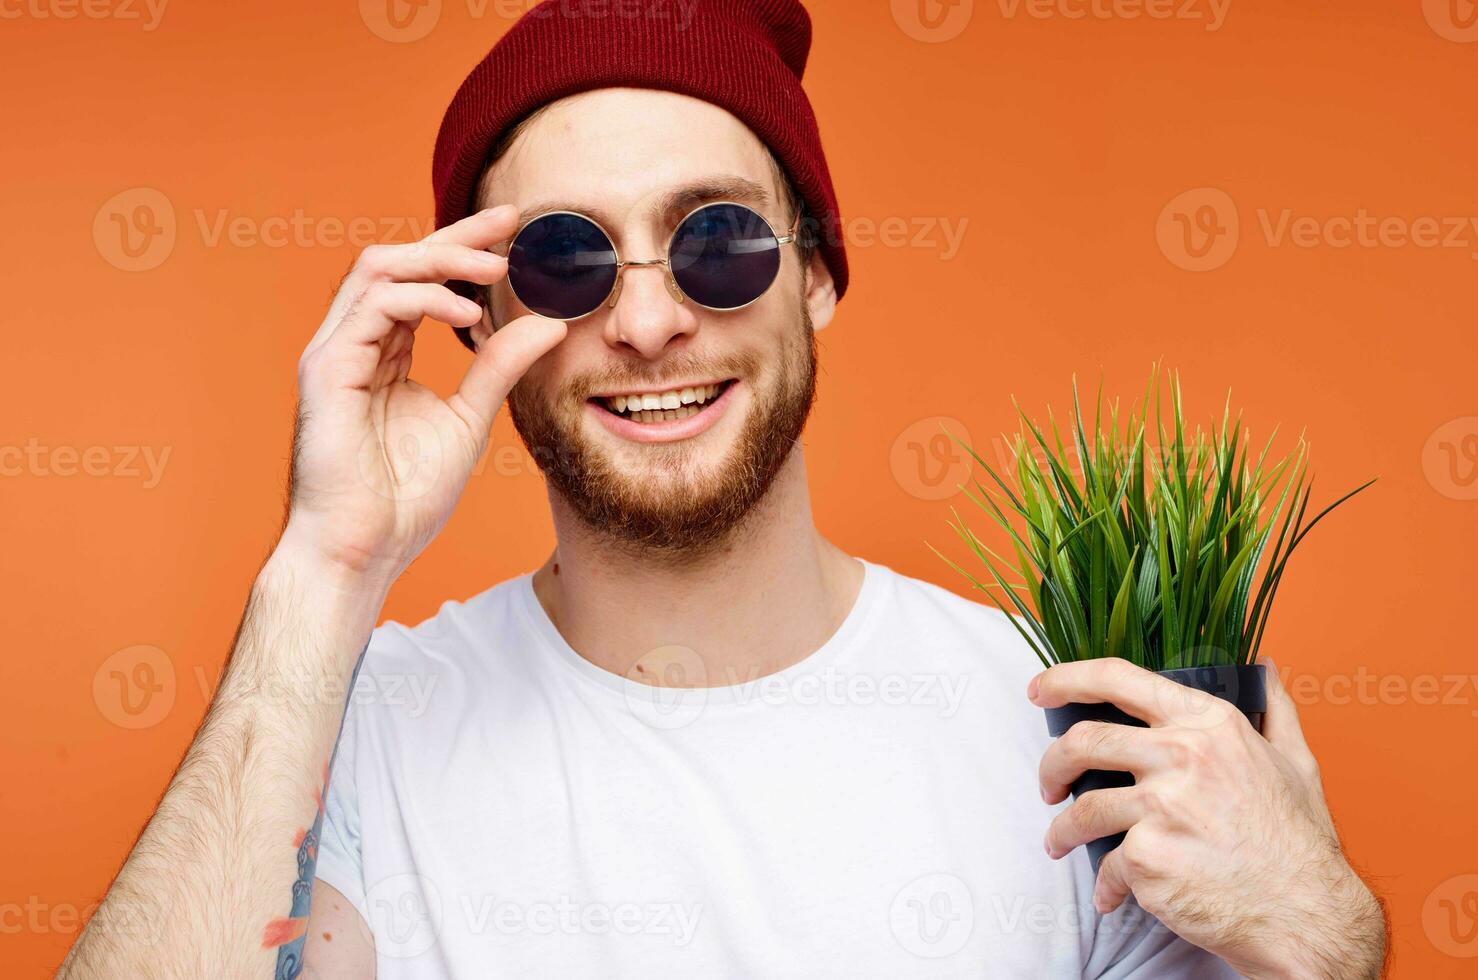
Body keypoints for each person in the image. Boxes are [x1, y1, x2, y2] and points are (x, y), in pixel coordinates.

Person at [60, 1, 1388, 977]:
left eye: (719, 241)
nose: (646, 325)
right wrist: (323, 566)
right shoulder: (370, 731)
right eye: (570, 259)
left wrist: (1322, 938)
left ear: (814, 276)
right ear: (477, 316)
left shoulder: (1067, 729)